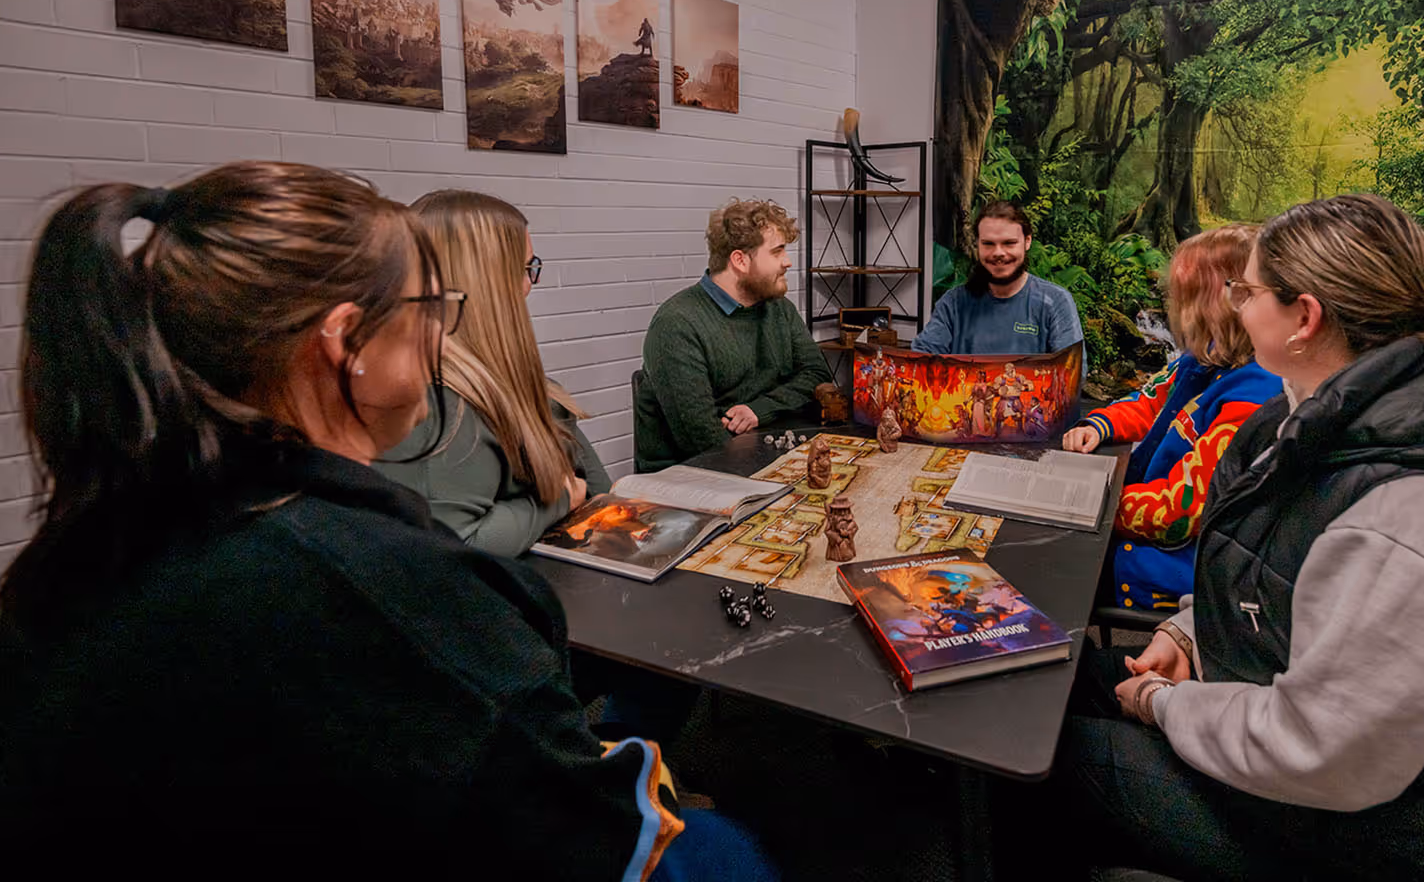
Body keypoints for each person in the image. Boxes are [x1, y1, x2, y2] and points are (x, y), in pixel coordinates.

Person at [0, 162, 774, 878]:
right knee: (732, 851)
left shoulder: (83, 545)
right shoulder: (379, 588)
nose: (442, 335)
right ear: (346, 343)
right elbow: (587, 830)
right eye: (428, 310)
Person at [1047, 194, 1424, 882]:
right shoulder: (1335, 419)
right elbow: (1278, 573)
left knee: (1046, 755)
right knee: (1057, 675)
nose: (1237, 308)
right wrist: (1189, 633)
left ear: (1303, 318)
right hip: (1312, 751)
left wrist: (1164, 705)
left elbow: (1318, 755)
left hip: (1367, 837)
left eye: (1247, 292)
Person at [376, 189, 609, 558]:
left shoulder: (525, 385)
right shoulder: (437, 404)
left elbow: (598, 489)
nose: (529, 285)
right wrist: (560, 500)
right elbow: (462, 543)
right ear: (487, 283)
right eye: (525, 268)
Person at [1061, 225, 1281, 610]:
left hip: (1173, 566)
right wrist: (1100, 425)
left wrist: (1086, 501)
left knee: (1049, 570)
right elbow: (1147, 402)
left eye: (1182, 295)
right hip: (1141, 531)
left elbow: (1179, 511)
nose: (1174, 306)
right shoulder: (1201, 359)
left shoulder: (1256, 394)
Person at [635, 198, 828, 473]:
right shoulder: (677, 324)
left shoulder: (779, 309)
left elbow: (817, 373)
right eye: (777, 252)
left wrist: (758, 410)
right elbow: (703, 439)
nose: (787, 262)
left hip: (768, 457)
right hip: (692, 476)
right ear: (739, 260)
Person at [912, 201, 1084, 359]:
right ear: (977, 244)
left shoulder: (1055, 302)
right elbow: (921, 360)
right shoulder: (954, 303)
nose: (998, 253)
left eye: (1009, 243)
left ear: (1027, 241)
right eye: (988, 244)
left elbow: (1071, 375)